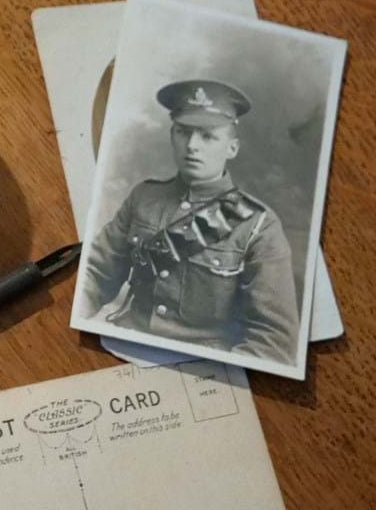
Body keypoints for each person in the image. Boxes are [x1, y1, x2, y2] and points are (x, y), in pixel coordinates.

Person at [82, 79, 299, 365]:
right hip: (122, 349)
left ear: (232, 148)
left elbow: (274, 342)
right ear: (172, 135)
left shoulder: (259, 225)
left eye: (208, 136)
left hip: (203, 369)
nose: (192, 146)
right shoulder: (144, 197)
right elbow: (94, 274)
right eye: (184, 132)